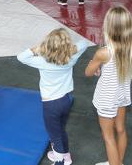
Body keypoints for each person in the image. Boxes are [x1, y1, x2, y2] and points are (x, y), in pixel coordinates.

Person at [17, 28, 89, 165]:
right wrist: (70, 49)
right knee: (60, 129)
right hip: (66, 100)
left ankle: (60, 161)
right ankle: (66, 156)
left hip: (51, 105)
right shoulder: (71, 57)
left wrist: (38, 48)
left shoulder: (42, 61)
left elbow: (21, 57)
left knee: (54, 135)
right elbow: (84, 43)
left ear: (47, 45)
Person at [85, 6, 132, 165]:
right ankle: (117, 161)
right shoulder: (130, 47)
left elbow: (88, 72)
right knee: (120, 129)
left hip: (107, 99)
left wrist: (93, 65)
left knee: (108, 137)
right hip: (121, 95)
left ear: (108, 27)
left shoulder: (103, 52)